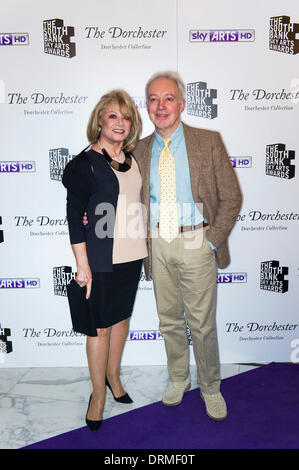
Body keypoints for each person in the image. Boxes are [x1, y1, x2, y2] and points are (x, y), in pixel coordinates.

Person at [133, 71, 242, 420]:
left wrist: (210, 241)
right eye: (153, 99)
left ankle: (210, 386)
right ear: (146, 106)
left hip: (197, 239)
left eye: (168, 98)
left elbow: (231, 196)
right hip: (157, 244)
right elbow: (125, 197)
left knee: (202, 323)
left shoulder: (208, 141)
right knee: (168, 320)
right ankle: (178, 378)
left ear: (181, 103)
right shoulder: (139, 149)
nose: (161, 106)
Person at [62, 89, 147, 431]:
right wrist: (83, 265)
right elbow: (74, 217)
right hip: (100, 259)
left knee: (121, 319)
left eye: (126, 117)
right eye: (113, 116)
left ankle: (114, 378)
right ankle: (98, 395)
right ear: (99, 119)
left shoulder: (132, 158)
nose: (120, 123)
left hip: (133, 254)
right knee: (98, 328)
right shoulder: (84, 165)